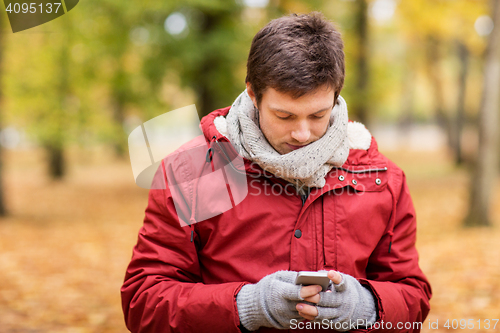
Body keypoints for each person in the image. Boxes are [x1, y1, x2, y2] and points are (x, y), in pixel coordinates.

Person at [121, 12, 431, 333]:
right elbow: (143, 301)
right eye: (284, 115)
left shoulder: (381, 179)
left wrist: (365, 305)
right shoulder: (194, 172)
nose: (302, 133)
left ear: (336, 96)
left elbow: (413, 296)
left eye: (318, 114)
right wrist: (249, 305)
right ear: (253, 94)